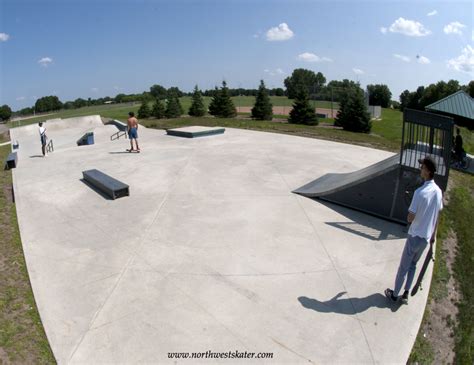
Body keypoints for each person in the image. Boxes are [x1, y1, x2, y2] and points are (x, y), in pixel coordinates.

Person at [385, 156, 443, 303]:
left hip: (414, 236)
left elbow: (410, 218)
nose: (420, 169)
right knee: (413, 265)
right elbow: (437, 215)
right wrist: (433, 235)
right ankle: (406, 293)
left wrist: (411, 211)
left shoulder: (419, 193)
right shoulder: (438, 191)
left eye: (422, 167)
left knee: (403, 267)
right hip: (425, 238)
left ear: (428, 171)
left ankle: (394, 294)